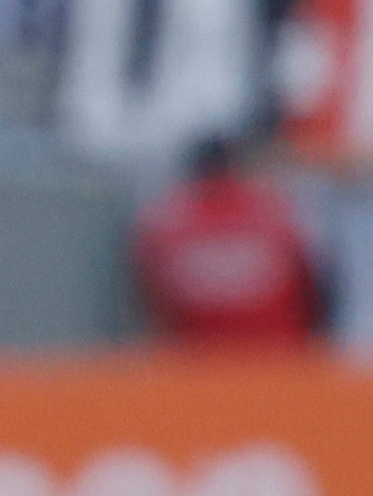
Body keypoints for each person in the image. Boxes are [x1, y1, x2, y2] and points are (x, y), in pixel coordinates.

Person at [130, 133, 331, 352]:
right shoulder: (277, 213)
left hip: (196, 364)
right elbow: (316, 289)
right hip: (277, 360)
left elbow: (149, 302)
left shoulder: (163, 224)